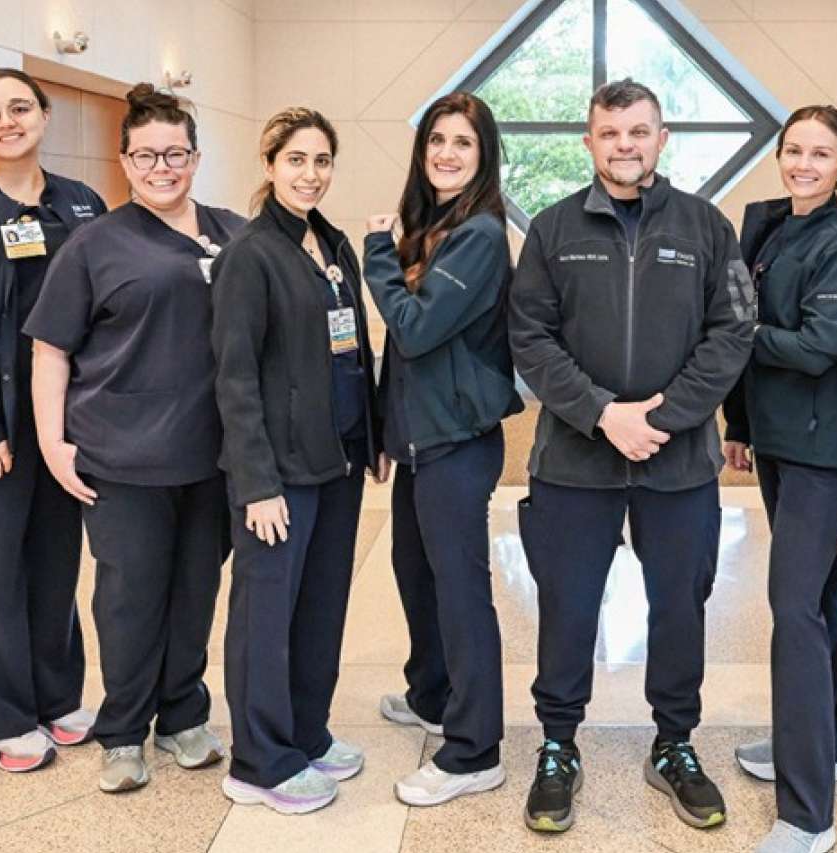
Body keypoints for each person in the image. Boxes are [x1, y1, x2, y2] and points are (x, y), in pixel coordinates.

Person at [510, 78, 755, 833]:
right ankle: (558, 745)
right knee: (567, 606)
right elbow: (529, 338)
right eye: (611, 133)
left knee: (679, 605)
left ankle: (674, 742)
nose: (625, 145)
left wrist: (663, 417)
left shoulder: (706, 227)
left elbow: (732, 332)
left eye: (639, 131)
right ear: (589, 142)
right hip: (573, 463)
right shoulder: (552, 230)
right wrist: (601, 414)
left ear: (661, 138)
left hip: (677, 465)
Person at [25, 84, 243, 792]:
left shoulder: (233, 233)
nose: (161, 168)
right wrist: (52, 442)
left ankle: (183, 716)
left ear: (196, 157)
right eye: (146, 155)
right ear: (124, 162)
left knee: (195, 592)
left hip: (212, 455)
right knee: (129, 599)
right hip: (121, 457)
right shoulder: (94, 244)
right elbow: (50, 350)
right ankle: (122, 732)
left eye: (175, 154)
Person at [212, 107, 385, 815]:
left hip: (336, 460)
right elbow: (234, 377)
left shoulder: (333, 244)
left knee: (320, 607)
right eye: (295, 160)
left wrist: (371, 437)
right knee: (266, 613)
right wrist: (256, 483)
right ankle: (259, 760)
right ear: (269, 164)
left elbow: (355, 348)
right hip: (278, 473)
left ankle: (306, 733)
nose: (310, 174)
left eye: (321, 161)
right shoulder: (250, 255)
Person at [0, 67, 105, 772]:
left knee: (54, 558)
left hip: (61, 418)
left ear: (43, 114)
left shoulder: (81, 202)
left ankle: (55, 696)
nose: (6, 121)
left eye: (18, 107)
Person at [721, 105, 837, 853]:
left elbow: (819, 346)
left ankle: (808, 813)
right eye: (793, 150)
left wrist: (740, 336)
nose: (803, 164)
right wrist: (740, 424)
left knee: (793, 607)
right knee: (820, 593)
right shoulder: (773, 226)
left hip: (824, 445)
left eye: (821, 153)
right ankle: (824, 743)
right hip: (780, 437)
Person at [364, 91, 523, 806]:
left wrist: (376, 253)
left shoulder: (480, 234)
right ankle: (432, 694)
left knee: (459, 591)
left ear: (484, 156)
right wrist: (386, 431)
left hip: (457, 440)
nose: (447, 154)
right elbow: (404, 358)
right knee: (415, 571)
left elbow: (416, 329)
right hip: (420, 437)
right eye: (436, 140)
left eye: (463, 142)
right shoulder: (434, 226)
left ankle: (474, 748)